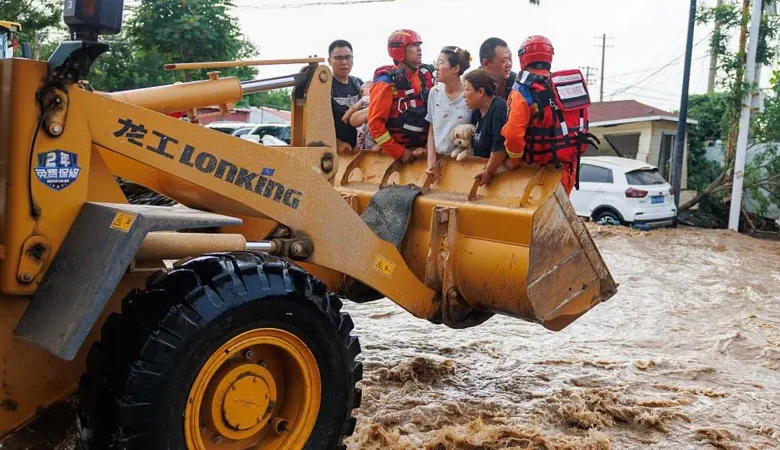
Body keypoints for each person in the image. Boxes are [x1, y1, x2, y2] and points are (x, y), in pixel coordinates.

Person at [502, 35, 594, 195]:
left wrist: (513, 161)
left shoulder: (523, 90)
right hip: (567, 171)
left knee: (538, 219)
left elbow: (513, 135)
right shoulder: (568, 88)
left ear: (523, 57)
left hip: (538, 174)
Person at [368, 29, 436, 163]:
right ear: (399, 51)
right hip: (400, 155)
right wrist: (399, 152)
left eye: (419, 45)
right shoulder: (385, 83)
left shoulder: (426, 76)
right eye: (413, 46)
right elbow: (375, 124)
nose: (419, 50)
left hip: (425, 151)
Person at [425, 46, 472, 176]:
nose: (436, 67)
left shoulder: (469, 94)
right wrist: (431, 162)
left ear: (455, 68)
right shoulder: (434, 93)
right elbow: (432, 130)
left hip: (464, 164)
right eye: (436, 62)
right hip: (440, 164)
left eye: (441, 63)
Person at [462, 69, 508, 186]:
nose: (463, 95)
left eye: (467, 89)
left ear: (481, 92)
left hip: (499, 177)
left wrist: (488, 171)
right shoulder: (476, 112)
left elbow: (500, 148)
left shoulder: (499, 108)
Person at [327, 39, 363, 153]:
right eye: (338, 58)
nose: (344, 62)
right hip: (335, 152)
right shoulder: (325, 86)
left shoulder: (358, 84)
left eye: (348, 57)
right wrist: (337, 143)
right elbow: (317, 122)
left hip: (361, 149)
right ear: (329, 60)